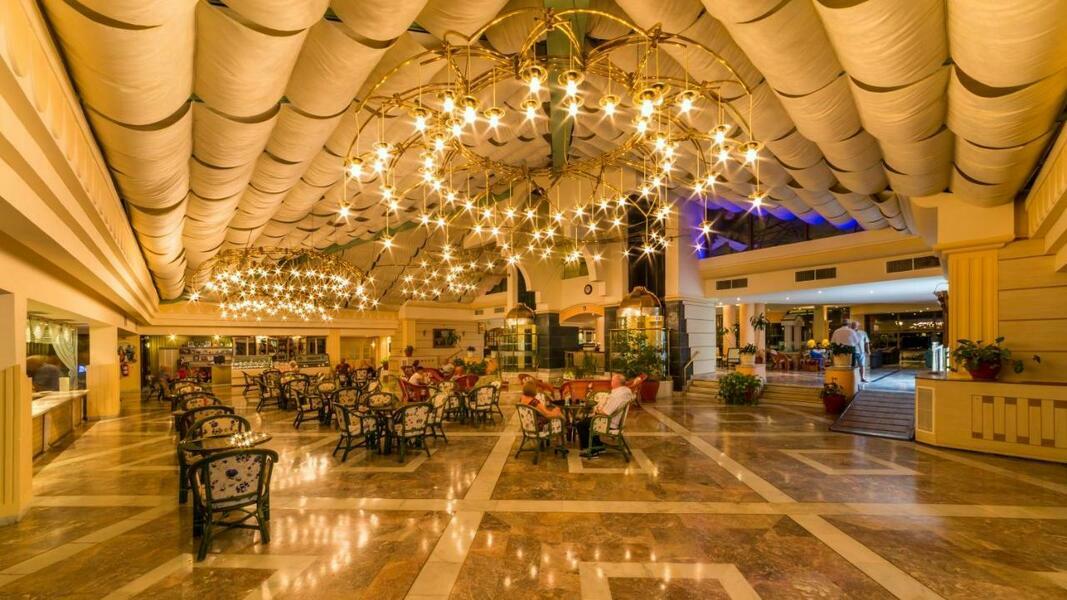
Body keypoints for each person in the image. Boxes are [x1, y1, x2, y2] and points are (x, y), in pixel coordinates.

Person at [577, 373, 633, 457]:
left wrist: (597, 410)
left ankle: (593, 449)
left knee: (581, 424)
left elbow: (606, 413)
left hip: (609, 423)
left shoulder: (617, 396)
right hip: (614, 420)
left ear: (617, 382)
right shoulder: (626, 391)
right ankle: (597, 445)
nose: (611, 382)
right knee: (587, 420)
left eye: (612, 380)